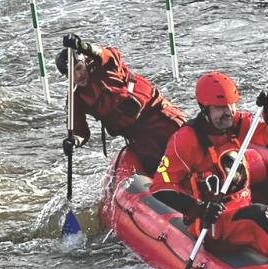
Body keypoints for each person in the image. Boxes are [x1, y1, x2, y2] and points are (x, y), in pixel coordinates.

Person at [157, 72, 268, 269]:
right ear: (204, 109)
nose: (227, 112)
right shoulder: (186, 140)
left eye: (230, 105)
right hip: (212, 223)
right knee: (259, 216)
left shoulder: (236, 123)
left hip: (240, 210)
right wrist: (200, 209)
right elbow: (160, 188)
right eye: (219, 108)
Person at [58, 33, 186, 184]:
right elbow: (80, 132)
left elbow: (105, 54)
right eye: (70, 74)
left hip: (161, 118)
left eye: (78, 68)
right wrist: (73, 142)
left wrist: (83, 46)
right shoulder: (75, 98)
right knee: (159, 170)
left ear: (85, 62)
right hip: (139, 137)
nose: (77, 76)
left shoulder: (106, 67)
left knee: (188, 150)